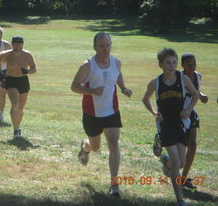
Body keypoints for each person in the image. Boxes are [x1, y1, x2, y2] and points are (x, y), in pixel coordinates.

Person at [71, 32, 132, 197]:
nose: (106, 49)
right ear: (95, 47)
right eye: (102, 46)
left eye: (108, 45)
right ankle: (85, 147)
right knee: (95, 147)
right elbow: (74, 86)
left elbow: (117, 75)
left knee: (113, 143)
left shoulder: (116, 62)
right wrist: (92, 91)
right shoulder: (88, 65)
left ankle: (114, 184)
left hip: (112, 111)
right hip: (92, 114)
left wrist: (123, 88)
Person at [142, 48, 199, 206]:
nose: (171, 65)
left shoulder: (183, 79)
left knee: (180, 163)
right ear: (160, 64)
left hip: (180, 123)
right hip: (165, 124)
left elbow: (196, 94)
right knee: (176, 161)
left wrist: (188, 110)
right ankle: (180, 200)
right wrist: (154, 112)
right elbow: (145, 99)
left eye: (174, 62)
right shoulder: (156, 83)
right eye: (168, 62)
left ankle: (165, 161)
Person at [0, 36, 37, 137]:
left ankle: (18, 126)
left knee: (21, 108)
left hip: (23, 81)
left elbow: (34, 68)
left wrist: (27, 71)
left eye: (20, 43)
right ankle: (16, 130)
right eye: (16, 43)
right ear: (12, 44)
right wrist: (0, 72)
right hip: (11, 80)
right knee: (15, 104)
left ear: (23, 44)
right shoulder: (7, 54)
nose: (18, 45)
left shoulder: (27, 55)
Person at [180, 53, 208, 189]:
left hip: (191, 114)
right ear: (182, 65)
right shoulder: (178, 78)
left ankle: (184, 178)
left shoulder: (198, 76)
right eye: (188, 64)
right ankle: (168, 161)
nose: (192, 67)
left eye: (194, 64)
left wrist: (202, 96)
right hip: (178, 115)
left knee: (192, 145)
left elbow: (196, 91)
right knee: (178, 146)